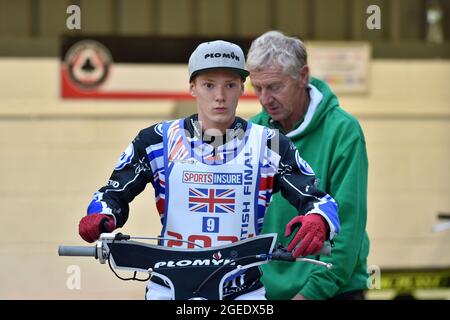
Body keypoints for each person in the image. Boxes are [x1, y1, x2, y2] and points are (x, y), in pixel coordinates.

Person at [78, 39, 340, 300]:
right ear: (192, 87)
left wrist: (318, 220)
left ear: (241, 88)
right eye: (208, 85)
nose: (219, 96)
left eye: (230, 85)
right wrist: (102, 214)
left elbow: (317, 199)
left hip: (243, 292)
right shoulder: (157, 140)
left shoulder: (269, 144)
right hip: (168, 288)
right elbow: (113, 193)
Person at [247, 31, 369, 300]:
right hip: (263, 293)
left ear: (303, 76)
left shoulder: (343, 132)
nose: (265, 99)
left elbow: (348, 227)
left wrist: (311, 294)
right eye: (258, 88)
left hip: (332, 289)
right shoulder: (252, 133)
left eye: (275, 87)